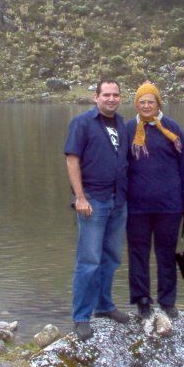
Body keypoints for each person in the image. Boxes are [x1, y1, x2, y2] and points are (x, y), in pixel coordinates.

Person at [64, 78, 131, 341]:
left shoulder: (122, 124)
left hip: (118, 200)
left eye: (115, 95)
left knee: (111, 257)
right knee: (88, 260)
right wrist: (79, 197)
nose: (111, 99)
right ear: (96, 97)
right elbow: (72, 160)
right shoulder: (82, 123)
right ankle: (81, 316)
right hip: (93, 200)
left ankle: (104, 305)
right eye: (106, 95)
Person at [125, 81, 184, 320]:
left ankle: (167, 301)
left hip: (169, 206)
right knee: (138, 253)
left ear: (158, 104)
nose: (146, 106)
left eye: (151, 101)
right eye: (142, 102)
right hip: (136, 207)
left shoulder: (172, 128)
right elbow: (119, 167)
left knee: (166, 254)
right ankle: (142, 300)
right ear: (136, 105)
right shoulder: (128, 130)